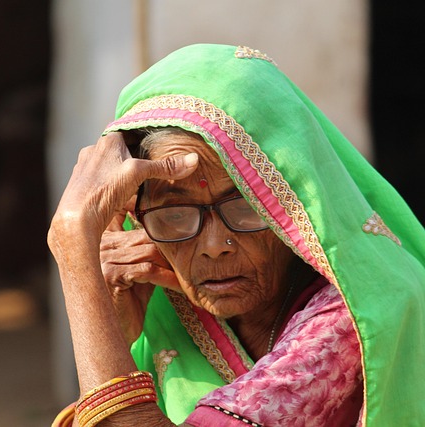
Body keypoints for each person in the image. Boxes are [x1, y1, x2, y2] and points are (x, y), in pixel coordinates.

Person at [48, 44, 425, 427]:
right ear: (135, 216)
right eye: (174, 214)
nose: (213, 248)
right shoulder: (164, 306)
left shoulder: (353, 315)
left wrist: (76, 250)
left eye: (247, 207)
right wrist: (118, 331)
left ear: (295, 203)